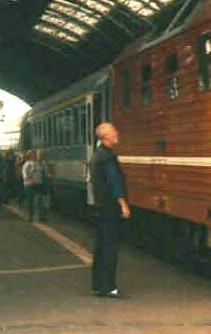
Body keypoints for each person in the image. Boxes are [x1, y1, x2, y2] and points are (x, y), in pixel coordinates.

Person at [90, 123, 131, 298]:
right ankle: (108, 287)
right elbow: (114, 182)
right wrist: (123, 204)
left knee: (100, 247)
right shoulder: (107, 157)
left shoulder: (96, 156)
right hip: (110, 208)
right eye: (114, 131)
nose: (117, 133)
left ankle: (98, 285)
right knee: (109, 247)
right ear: (105, 136)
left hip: (100, 206)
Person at [22, 150, 45, 222]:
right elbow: (25, 175)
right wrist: (29, 180)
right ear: (29, 156)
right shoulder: (27, 164)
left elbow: (42, 173)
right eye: (32, 154)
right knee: (31, 201)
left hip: (38, 184)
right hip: (30, 185)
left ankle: (38, 216)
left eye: (34, 154)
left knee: (38, 201)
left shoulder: (39, 164)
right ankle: (30, 216)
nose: (34, 155)